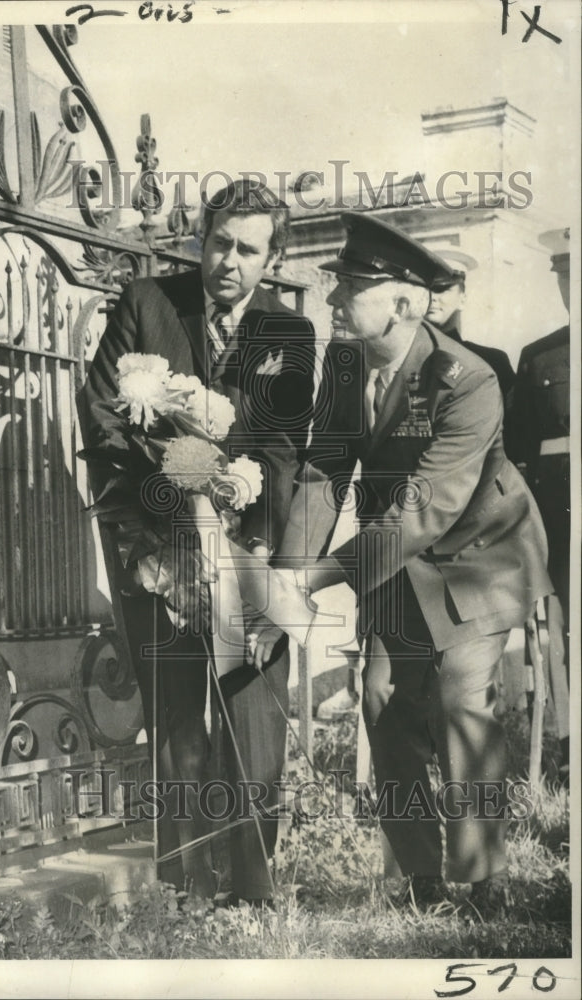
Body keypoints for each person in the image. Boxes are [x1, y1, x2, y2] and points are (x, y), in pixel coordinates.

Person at [274, 211, 551, 912]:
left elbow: (425, 509)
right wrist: (285, 573)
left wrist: (318, 577)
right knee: (380, 702)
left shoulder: (467, 379)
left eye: (348, 289)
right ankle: (422, 875)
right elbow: (322, 470)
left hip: (477, 556)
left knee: (461, 698)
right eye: (334, 286)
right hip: (397, 560)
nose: (331, 302)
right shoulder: (344, 365)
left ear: (400, 302)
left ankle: (480, 879)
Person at [77, 180, 316, 904]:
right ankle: (182, 884)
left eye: (248, 249)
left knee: (252, 718)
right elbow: (101, 413)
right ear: (198, 240)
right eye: (218, 243)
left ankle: (249, 888)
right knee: (175, 717)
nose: (229, 262)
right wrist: (171, 482)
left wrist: (235, 508)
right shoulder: (147, 304)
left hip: (247, 545)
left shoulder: (289, 335)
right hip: (155, 546)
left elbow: (279, 447)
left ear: (270, 257)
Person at [506, 227, 571, 782]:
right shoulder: (541, 355)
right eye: (567, 275)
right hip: (562, 518)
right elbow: (519, 457)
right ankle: (573, 744)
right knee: (566, 629)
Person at [425, 251, 516, 401]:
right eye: (427, 289)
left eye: (442, 289)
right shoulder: (399, 358)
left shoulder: (492, 361)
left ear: (462, 300)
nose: (433, 297)